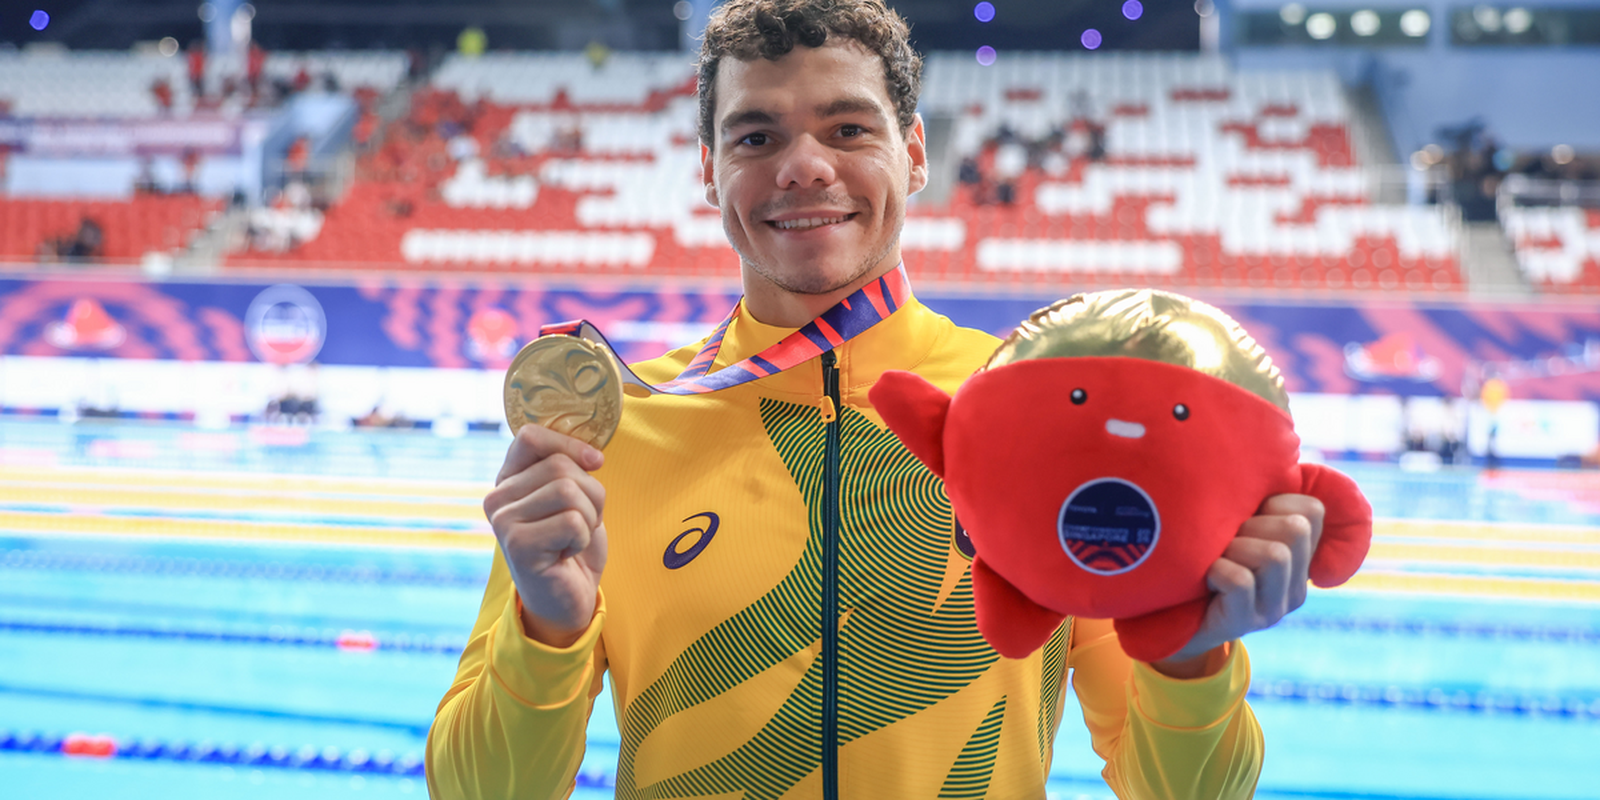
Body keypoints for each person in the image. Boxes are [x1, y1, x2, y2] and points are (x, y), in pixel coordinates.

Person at [428, 1, 1326, 798]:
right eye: (756, 138)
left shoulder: (1044, 423)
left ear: (915, 152)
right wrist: (545, 630)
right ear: (709, 170)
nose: (803, 167)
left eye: (848, 129)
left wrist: (1190, 656)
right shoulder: (613, 432)